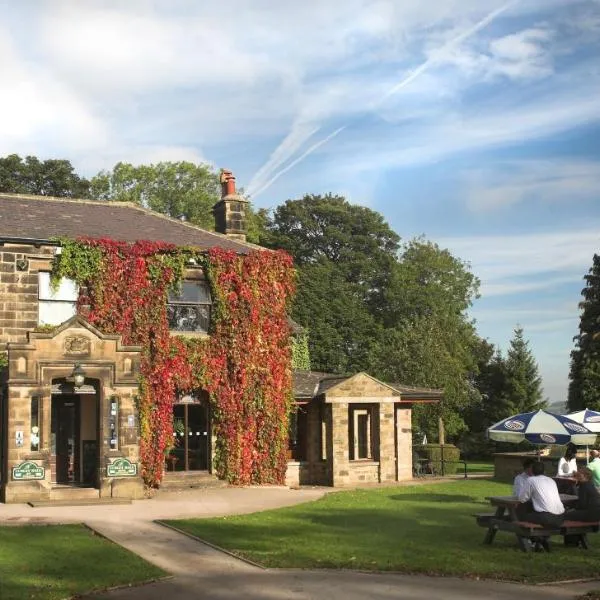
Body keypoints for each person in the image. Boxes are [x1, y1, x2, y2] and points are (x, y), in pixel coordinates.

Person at [518, 461, 565, 528]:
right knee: (532, 511)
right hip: (561, 517)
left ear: (532, 470)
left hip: (547, 518)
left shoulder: (531, 480)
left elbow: (521, 499)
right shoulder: (551, 480)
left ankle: (527, 537)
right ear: (544, 471)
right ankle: (541, 538)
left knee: (521, 516)